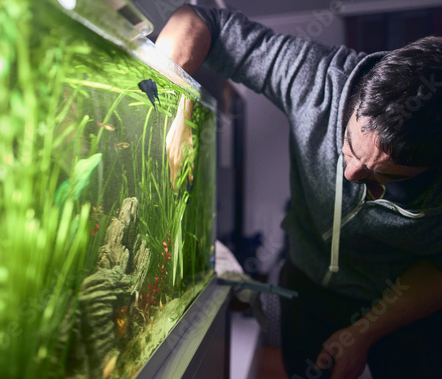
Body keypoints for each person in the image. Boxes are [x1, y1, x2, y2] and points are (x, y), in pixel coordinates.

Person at [157, 5, 442, 379]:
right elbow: (196, 20)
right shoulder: (316, 77)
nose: (352, 173)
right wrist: (180, 105)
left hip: (401, 300)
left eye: (381, 175)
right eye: (349, 148)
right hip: (307, 281)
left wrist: (364, 332)